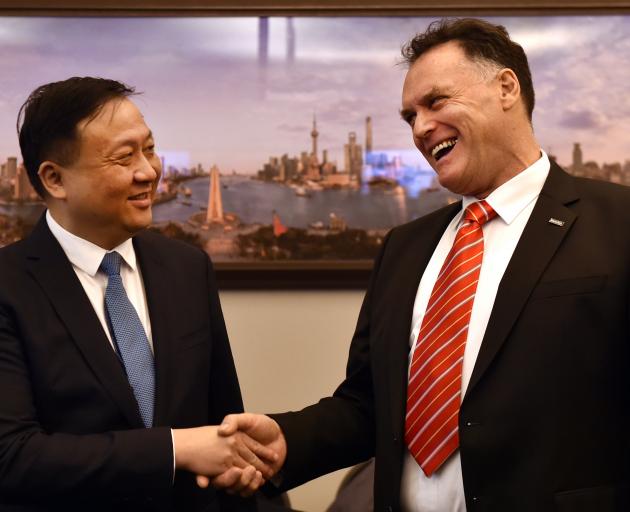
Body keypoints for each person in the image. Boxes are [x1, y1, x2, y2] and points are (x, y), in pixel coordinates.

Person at [212, 18, 630, 511]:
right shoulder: (404, 248)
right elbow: (370, 405)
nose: (421, 128)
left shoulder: (618, 223)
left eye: (436, 102)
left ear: (506, 87)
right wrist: (287, 441)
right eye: (410, 116)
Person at [0, 77, 277, 511]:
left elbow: (224, 423)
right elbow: (12, 458)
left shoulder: (187, 268)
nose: (149, 171)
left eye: (148, 149)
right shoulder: (9, 286)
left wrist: (239, 469)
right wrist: (174, 450)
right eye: (124, 157)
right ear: (54, 179)